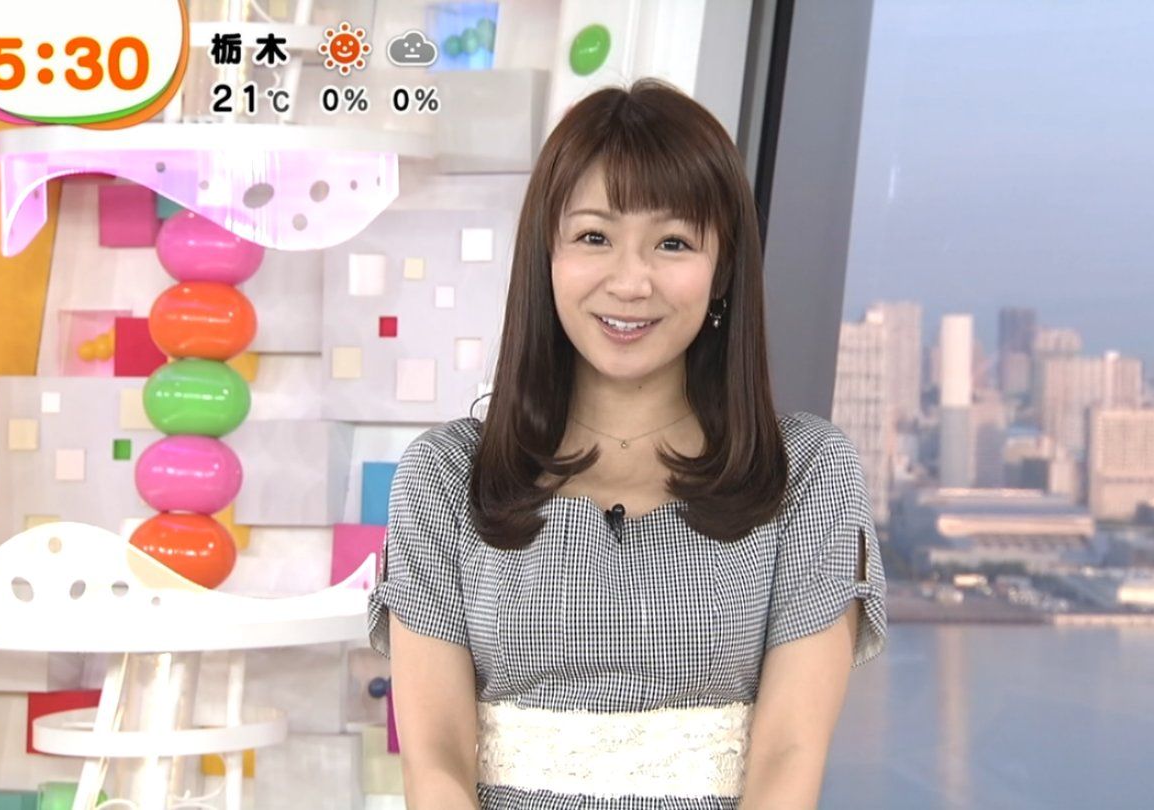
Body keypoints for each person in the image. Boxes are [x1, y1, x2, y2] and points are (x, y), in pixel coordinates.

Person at [367, 78, 887, 809]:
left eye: (673, 243)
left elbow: (788, 760)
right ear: (546, 256)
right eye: (594, 237)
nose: (631, 282)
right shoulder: (444, 476)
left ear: (723, 268)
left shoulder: (806, 472)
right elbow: (437, 763)